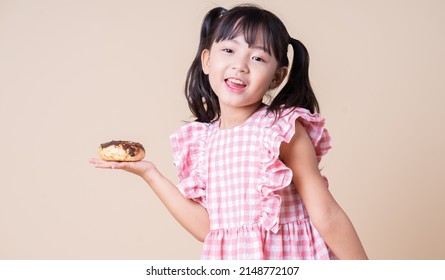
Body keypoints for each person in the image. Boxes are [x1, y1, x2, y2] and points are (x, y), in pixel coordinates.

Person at [89, 4, 367, 260]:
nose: (240, 65)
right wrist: (150, 174)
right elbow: (209, 230)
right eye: (229, 51)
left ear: (277, 76)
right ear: (207, 61)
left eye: (258, 57)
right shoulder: (203, 142)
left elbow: (326, 214)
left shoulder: (280, 130)